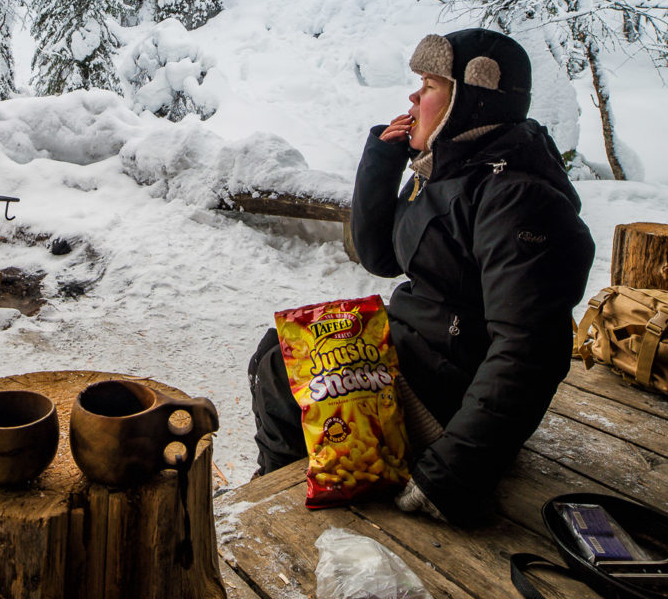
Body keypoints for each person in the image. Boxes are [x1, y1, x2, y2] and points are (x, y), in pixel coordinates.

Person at [248, 28, 595, 526]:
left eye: (430, 85)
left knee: (286, 374)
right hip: (421, 353)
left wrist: (452, 472)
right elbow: (382, 256)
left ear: (471, 99)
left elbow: (531, 348)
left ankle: (288, 505)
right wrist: (383, 162)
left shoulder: (518, 197)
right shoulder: (452, 165)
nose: (413, 96)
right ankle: (290, 480)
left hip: (448, 401)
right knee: (280, 349)